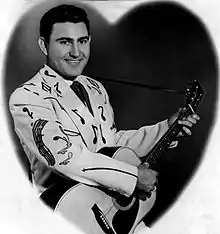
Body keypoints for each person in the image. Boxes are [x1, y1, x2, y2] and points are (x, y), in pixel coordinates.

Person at [9, 4, 200, 234]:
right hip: (69, 215)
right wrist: (132, 177)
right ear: (43, 45)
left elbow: (111, 143)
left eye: (83, 40)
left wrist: (165, 129)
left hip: (110, 207)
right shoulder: (27, 97)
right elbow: (64, 157)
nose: (76, 52)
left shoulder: (94, 88)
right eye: (65, 42)